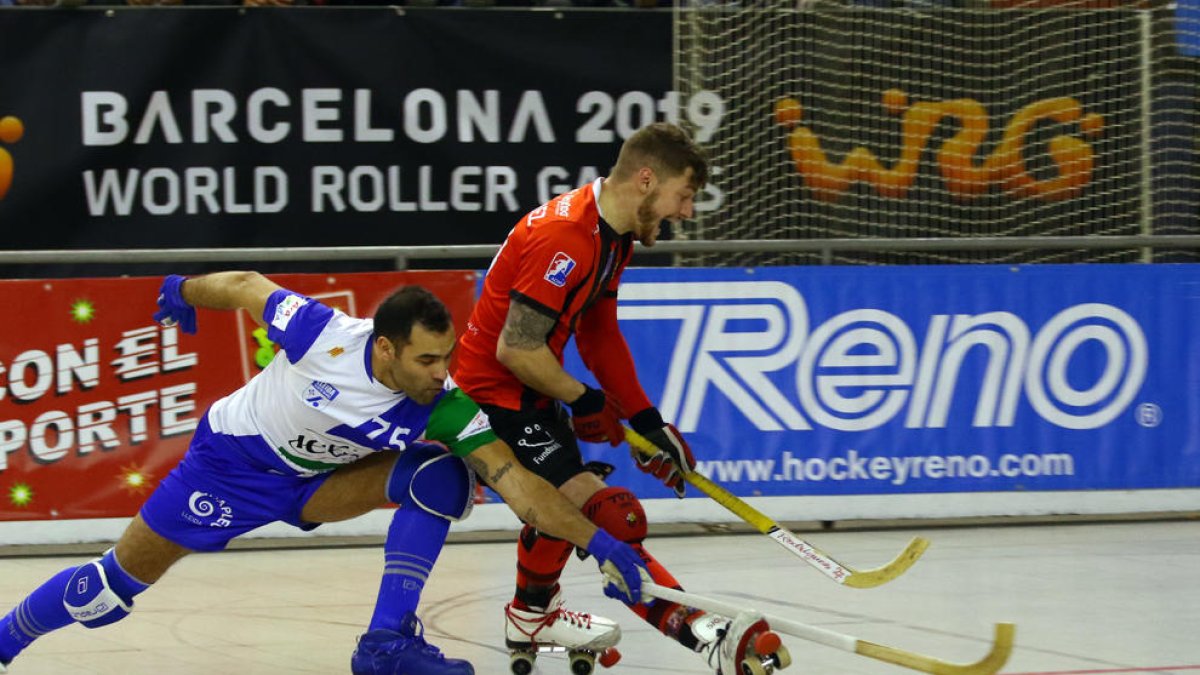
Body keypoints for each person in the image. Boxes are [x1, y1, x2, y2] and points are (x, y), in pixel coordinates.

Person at [0, 272, 648, 675]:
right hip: (229, 468)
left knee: (443, 473)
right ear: (385, 347)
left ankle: (385, 644)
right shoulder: (322, 335)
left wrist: (600, 543)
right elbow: (246, 286)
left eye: (446, 357)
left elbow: (519, 485)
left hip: (314, 483)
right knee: (107, 589)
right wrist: (181, 290)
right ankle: (5, 640)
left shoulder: (445, 404)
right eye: (426, 360)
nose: (441, 374)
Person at [453, 122, 789, 674]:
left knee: (564, 505)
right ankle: (706, 636)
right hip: (493, 399)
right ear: (646, 179)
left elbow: (599, 333)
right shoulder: (565, 237)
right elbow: (515, 348)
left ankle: (531, 616)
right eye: (684, 195)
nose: (686, 212)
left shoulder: (613, 236)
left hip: (532, 393)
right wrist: (584, 399)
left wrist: (646, 420)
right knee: (610, 514)